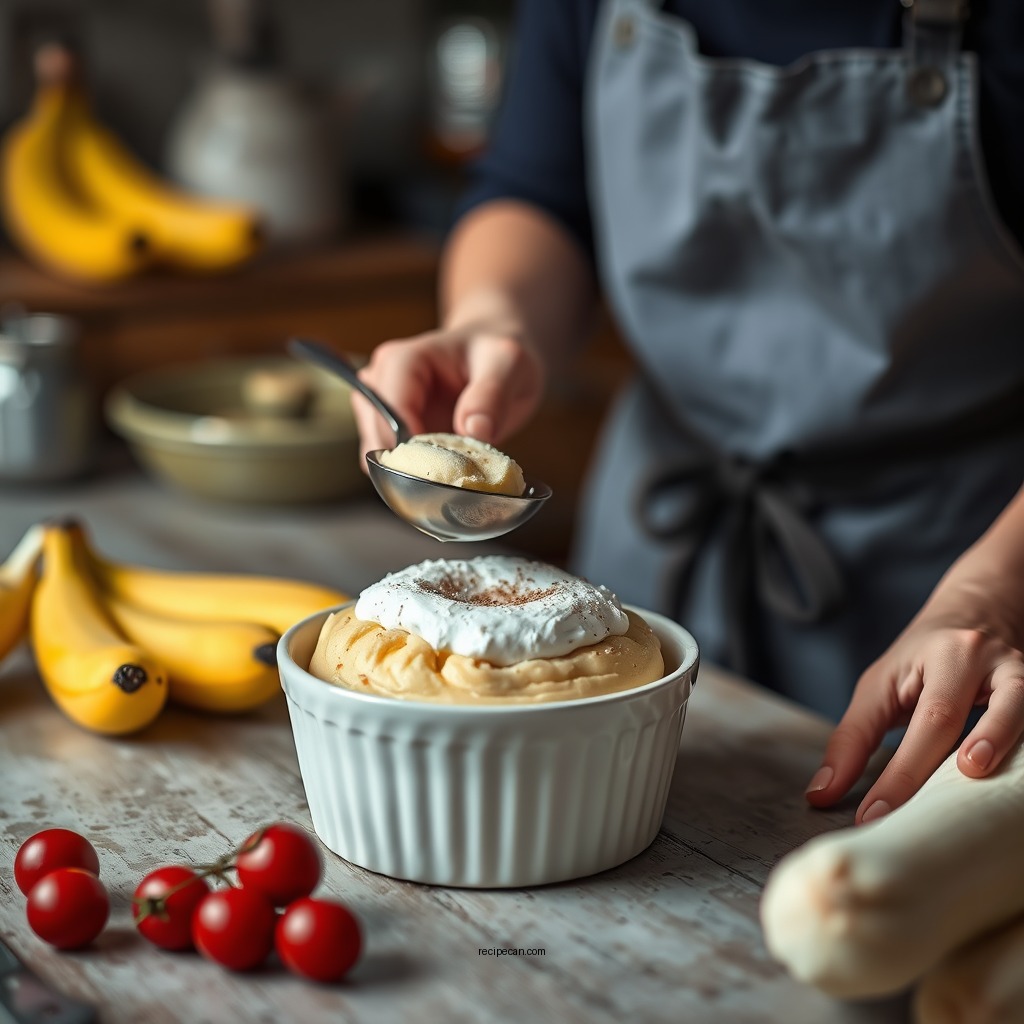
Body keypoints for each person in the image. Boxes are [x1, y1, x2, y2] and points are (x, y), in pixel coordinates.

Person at [352, 0, 1024, 824]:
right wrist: (495, 322)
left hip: (948, 578)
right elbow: (538, 193)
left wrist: (993, 595)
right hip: (660, 539)